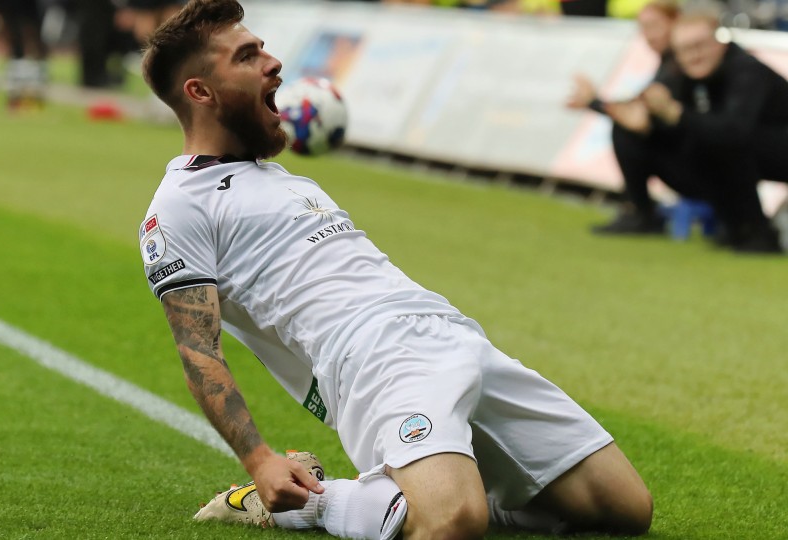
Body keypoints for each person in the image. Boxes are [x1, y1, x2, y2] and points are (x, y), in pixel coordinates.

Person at [138, 1, 653, 538]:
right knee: (452, 522)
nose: (274, 62)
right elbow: (200, 352)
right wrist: (261, 461)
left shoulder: (282, 178)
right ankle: (304, 502)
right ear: (200, 92)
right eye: (248, 56)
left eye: (263, 47)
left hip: (450, 330)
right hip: (372, 356)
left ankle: (434, 489)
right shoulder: (179, 204)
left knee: (624, 509)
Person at [590, 2, 788, 252]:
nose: (694, 56)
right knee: (632, 133)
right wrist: (608, 109)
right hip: (729, 161)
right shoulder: (679, 74)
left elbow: (734, 132)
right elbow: (645, 113)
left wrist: (676, 114)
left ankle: (755, 230)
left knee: (724, 141)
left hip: (775, 152)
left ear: (719, 40)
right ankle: (642, 214)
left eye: (700, 46)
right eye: (684, 50)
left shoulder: (747, 70)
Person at [567, 0, 683, 235]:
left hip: (700, 162)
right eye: (643, 28)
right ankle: (639, 211)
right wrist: (595, 102)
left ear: (675, 23)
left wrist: (593, 102)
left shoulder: (679, 64)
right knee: (624, 129)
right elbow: (638, 109)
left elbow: (638, 117)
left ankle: (642, 213)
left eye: (654, 26)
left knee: (625, 132)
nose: (648, 36)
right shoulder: (669, 62)